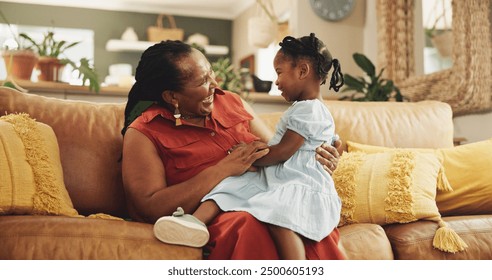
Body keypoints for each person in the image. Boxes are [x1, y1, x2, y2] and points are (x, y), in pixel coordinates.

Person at [121, 38, 345, 260]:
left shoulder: (232, 102)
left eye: (210, 73)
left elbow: (278, 151)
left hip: (265, 196)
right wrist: (223, 169)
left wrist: (322, 156)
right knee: (251, 222)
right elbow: (148, 207)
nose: (215, 85)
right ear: (172, 96)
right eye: (202, 82)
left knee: (302, 216)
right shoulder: (144, 132)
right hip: (222, 216)